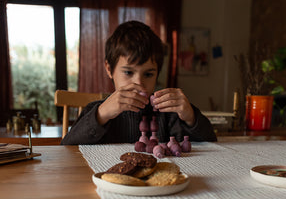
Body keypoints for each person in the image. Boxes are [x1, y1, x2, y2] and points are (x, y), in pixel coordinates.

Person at [61, 20, 217, 145]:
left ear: (158, 74)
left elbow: (210, 143)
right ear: (109, 69)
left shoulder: (168, 114)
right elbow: (67, 147)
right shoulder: (97, 112)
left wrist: (190, 116)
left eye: (148, 74)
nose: (139, 84)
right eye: (128, 72)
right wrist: (101, 115)